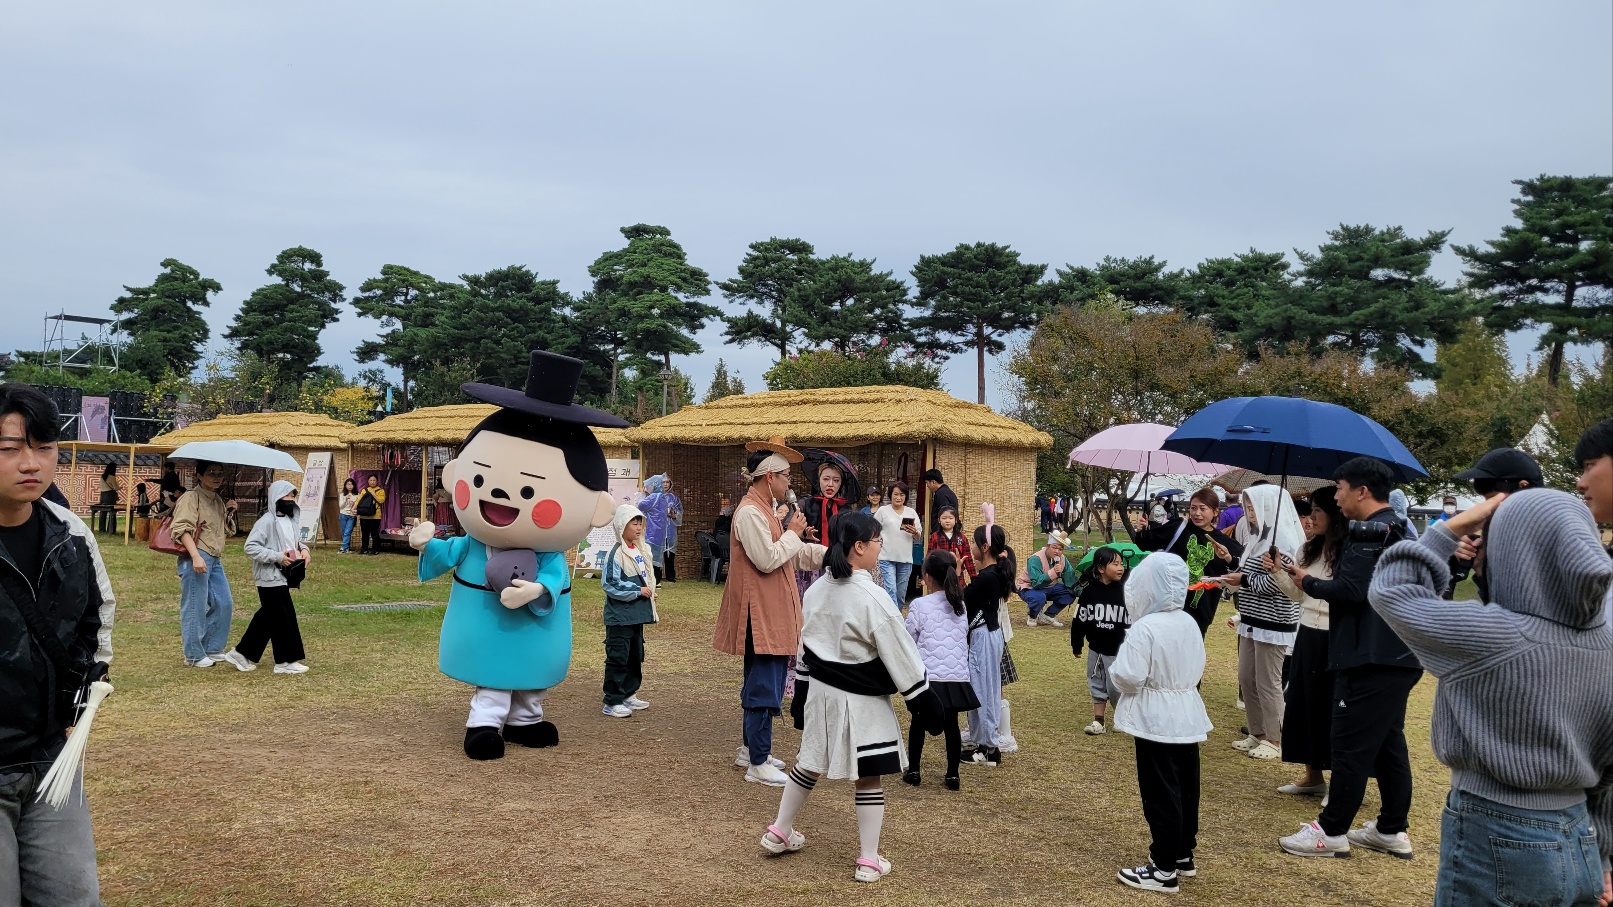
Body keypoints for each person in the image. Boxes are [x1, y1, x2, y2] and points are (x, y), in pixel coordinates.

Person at [1370, 489, 1613, 906]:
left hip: (1496, 828)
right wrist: (1603, 855)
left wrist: (1450, 528)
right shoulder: (1606, 642)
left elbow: (1392, 590)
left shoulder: (1496, 634)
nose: (1482, 554)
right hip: (1580, 838)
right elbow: (1608, 770)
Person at [759, 510, 943, 884]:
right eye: (877, 541)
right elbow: (900, 651)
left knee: (808, 762)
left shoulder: (815, 590)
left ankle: (779, 830)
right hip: (862, 702)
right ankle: (869, 860)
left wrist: (801, 694)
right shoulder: (872, 596)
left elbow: (806, 646)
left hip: (820, 695)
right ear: (859, 546)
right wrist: (924, 700)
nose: (880, 547)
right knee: (869, 776)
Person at [1279, 456, 1422, 860]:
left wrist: (1306, 580)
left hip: (1369, 657)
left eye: (1340, 490)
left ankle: (1331, 831)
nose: (1336, 498)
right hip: (1396, 655)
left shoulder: (1371, 533)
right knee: (1388, 744)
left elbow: (1350, 591)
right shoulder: (1399, 529)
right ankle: (1391, 829)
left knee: (1349, 746)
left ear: (1361, 491)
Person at [713, 438, 827, 786]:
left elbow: (791, 555)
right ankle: (758, 761)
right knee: (764, 684)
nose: (790, 482)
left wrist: (831, 554)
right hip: (761, 612)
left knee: (767, 681)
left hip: (771, 609)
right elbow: (767, 559)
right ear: (769, 477)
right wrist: (793, 532)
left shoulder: (766, 509)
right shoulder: (750, 512)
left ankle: (751, 750)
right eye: (786, 476)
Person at [1111, 553, 1209, 894]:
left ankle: (1163, 867)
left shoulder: (1146, 627)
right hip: (1186, 713)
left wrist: (1118, 675)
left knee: (1160, 790)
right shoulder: (1189, 622)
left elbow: (1129, 676)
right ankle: (1182, 853)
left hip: (1155, 718)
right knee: (1186, 786)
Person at [1220, 485, 1305, 761]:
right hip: (1251, 619)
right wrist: (1231, 566)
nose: (1251, 514)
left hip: (1274, 622)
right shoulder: (1258, 539)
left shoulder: (1284, 545)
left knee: (1268, 682)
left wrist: (1243, 580)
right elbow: (1248, 573)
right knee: (1247, 678)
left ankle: (1276, 738)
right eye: (1248, 508)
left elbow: (1278, 584)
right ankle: (1258, 732)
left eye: (1255, 508)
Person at [1276, 487, 1345, 800]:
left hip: (1336, 635)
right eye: (1310, 510)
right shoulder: (1307, 549)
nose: (1310, 518)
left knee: (1333, 707)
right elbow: (1297, 594)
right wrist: (1278, 573)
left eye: (1318, 510)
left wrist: (1310, 582)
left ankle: (1341, 782)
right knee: (1304, 703)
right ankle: (1312, 776)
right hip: (1307, 632)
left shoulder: (1349, 551)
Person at [901, 550, 979, 791]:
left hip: (929, 675)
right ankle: (953, 775)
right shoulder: (960, 604)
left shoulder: (920, 605)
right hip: (956, 675)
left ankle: (914, 770)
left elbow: (908, 638)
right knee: (952, 724)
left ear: (926, 576)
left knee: (918, 721)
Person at [219, 479, 309, 675]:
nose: (291, 499)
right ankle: (285, 661)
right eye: (287, 495)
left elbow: (294, 542)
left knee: (269, 616)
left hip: (285, 575)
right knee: (284, 617)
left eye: (293, 495)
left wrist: (304, 550)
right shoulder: (266, 521)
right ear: (276, 497)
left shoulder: (291, 520)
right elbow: (250, 547)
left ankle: (241, 653)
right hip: (269, 576)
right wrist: (277, 557)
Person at [1132, 488, 1242, 635]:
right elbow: (1146, 543)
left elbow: (1239, 567)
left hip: (1201, 611)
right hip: (1168, 606)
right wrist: (1141, 531)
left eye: (1203, 509)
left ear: (1215, 512)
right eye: (1193, 508)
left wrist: (1227, 558)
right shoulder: (1179, 527)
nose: (1197, 513)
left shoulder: (1222, 542)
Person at [1448, 447, 1545, 600]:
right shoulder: (1505, 537)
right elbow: (1502, 609)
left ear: (1523, 487)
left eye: (1493, 499)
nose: (1489, 509)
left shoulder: (1550, 537)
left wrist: (1444, 532)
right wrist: (1481, 570)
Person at [171, 460, 238, 667]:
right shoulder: (191, 497)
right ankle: (193, 655)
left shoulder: (217, 499)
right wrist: (195, 556)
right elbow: (181, 529)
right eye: (211, 472)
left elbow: (223, 531)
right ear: (199, 476)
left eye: (220, 473)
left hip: (214, 558)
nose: (217, 477)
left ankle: (212, 647)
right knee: (195, 605)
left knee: (224, 602)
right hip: (197, 555)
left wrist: (229, 512)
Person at [963, 517, 1015, 767]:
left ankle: (988, 748)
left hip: (984, 636)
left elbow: (962, 599)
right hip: (988, 635)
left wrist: (953, 572)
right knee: (985, 688)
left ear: (984, 547)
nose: (971, 547)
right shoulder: (992, 574)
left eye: (974, 543)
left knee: (983, 690)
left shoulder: (987, 578)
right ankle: (984, 743)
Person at [600, 503, 656, 718]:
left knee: (635, 655)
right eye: (634, 523)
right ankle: (612, 700)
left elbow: (644, 578)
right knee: (618, 657)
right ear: (622, 525)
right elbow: (610, 583)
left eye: (640, 523)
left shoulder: (640, 550)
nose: (638, 527)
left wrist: (649, 592)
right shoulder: (615, 553)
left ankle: (628, 693)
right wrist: (638, 590)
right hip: (620, 617)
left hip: (636, 615)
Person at [1071, 545, 1130, 736]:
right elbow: (1079, 620)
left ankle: (1122, 718)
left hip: (1119, 651)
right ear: (1101, 568)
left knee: (1116, 686)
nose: (1120, 568)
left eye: (1121, 564)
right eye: (1115, 564)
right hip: (1096, 648)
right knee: (1096, 682)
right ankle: (1099, 721)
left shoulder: (1127, 592)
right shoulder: (1090, 592)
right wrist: (1077, 644)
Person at [1017, 528, 1078, 628]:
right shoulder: (1036, 559)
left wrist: (1081, 591)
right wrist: (1053, 572)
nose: (1057, 551)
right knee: (1039, 597)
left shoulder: (1062, 559)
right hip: (1029, 587)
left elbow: (1071, 579)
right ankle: (1033, 615)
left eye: (1060, 549)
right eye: (1054, 547)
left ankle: (1048, 615)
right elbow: (1035, 583)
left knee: (1070, 593)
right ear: (1047, 546)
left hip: (1049, 587)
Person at [872, 481, 920, 607]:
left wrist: (914, 532)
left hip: (905, 559)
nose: (898, 497)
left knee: (900, 594)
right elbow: (873, 530)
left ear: (906, 497)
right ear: (890, 495)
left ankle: (896, 615)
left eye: (902, 495)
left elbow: (918, 535)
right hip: (886, 558)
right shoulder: (883, 511)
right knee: (891, 591)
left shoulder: (911, 512)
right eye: (896, 494)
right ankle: (893, 618)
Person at [640, 474, 682, 583]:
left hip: (669, 529)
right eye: (663, 482)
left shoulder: (673, 498)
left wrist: (674, 515)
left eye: (667, 482)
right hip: (657, 530)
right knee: (656, 554)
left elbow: (679, 513)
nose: (665, 484)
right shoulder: (654, 496)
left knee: (670, 553)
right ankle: (656, 577)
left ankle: (670, 576)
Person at [927, 507, 975, 581]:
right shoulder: (935, 536)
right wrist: (926, 575)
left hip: (957, 575)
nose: (947, 521)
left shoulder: (962, 537)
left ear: (956, 520)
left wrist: (973, 577)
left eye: (950, 518)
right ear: (939, 520)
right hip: (939, 574)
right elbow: (929, 556)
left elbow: (968, 559)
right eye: (944, 518)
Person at [355, 474, 385, 556]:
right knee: (365, 533)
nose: (372, 482)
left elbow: (381, 500)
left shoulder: (380, 491)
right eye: (371, 480)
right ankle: (364, 548)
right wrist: (354, 508)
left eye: (374, 480)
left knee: (374, 533)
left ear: (377, 481)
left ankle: (376, 549)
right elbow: (358, 500)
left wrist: (373, 494)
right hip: (364, 515)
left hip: (375, 516)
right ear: (368, 481)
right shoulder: (364, 490)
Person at [923, 469, 958, 535]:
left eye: (927, 483)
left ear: (933, 482)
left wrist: (940, 535)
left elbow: (946, 515)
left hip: (943, 534)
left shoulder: (941, 494)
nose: (927, 486)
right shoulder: (946, 492)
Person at [93, 463, 120, 534]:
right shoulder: (112, 477)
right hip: (110, 496)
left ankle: (101, 529)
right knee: (112, 513)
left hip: (103, 495)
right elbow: (116, 488)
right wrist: (119, 486)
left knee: (103, 513)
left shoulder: (102, 477)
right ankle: (111, 530)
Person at [337, 478, 359, 554]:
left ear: (354, 486)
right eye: (348, 484)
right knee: (344, 532)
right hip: (343, 514)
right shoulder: (342, 495)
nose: (350, 486)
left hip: (351, 516)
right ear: (345, 486)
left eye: (351, 484)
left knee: (348, 532)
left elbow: (357, 505)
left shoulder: (357, 495)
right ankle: (347, 548)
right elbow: (341, 506)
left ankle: (343, 548)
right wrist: (345, 499)